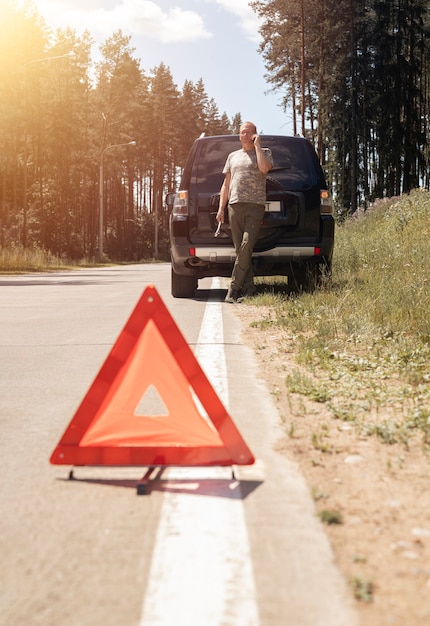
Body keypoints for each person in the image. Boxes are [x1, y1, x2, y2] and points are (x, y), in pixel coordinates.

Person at [216, 121, 273, 303]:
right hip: (234, 205)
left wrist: (257, 146)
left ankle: (233, 289)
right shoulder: (232, 156)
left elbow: (264, 168)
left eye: (248, 132)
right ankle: (249, 289)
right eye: (242, 132)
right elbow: (226, 185)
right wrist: (221, 208)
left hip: (255, 206)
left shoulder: (264, 153)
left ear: (255, 135)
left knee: (247, 245)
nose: (244, 135)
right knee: (240, 248)